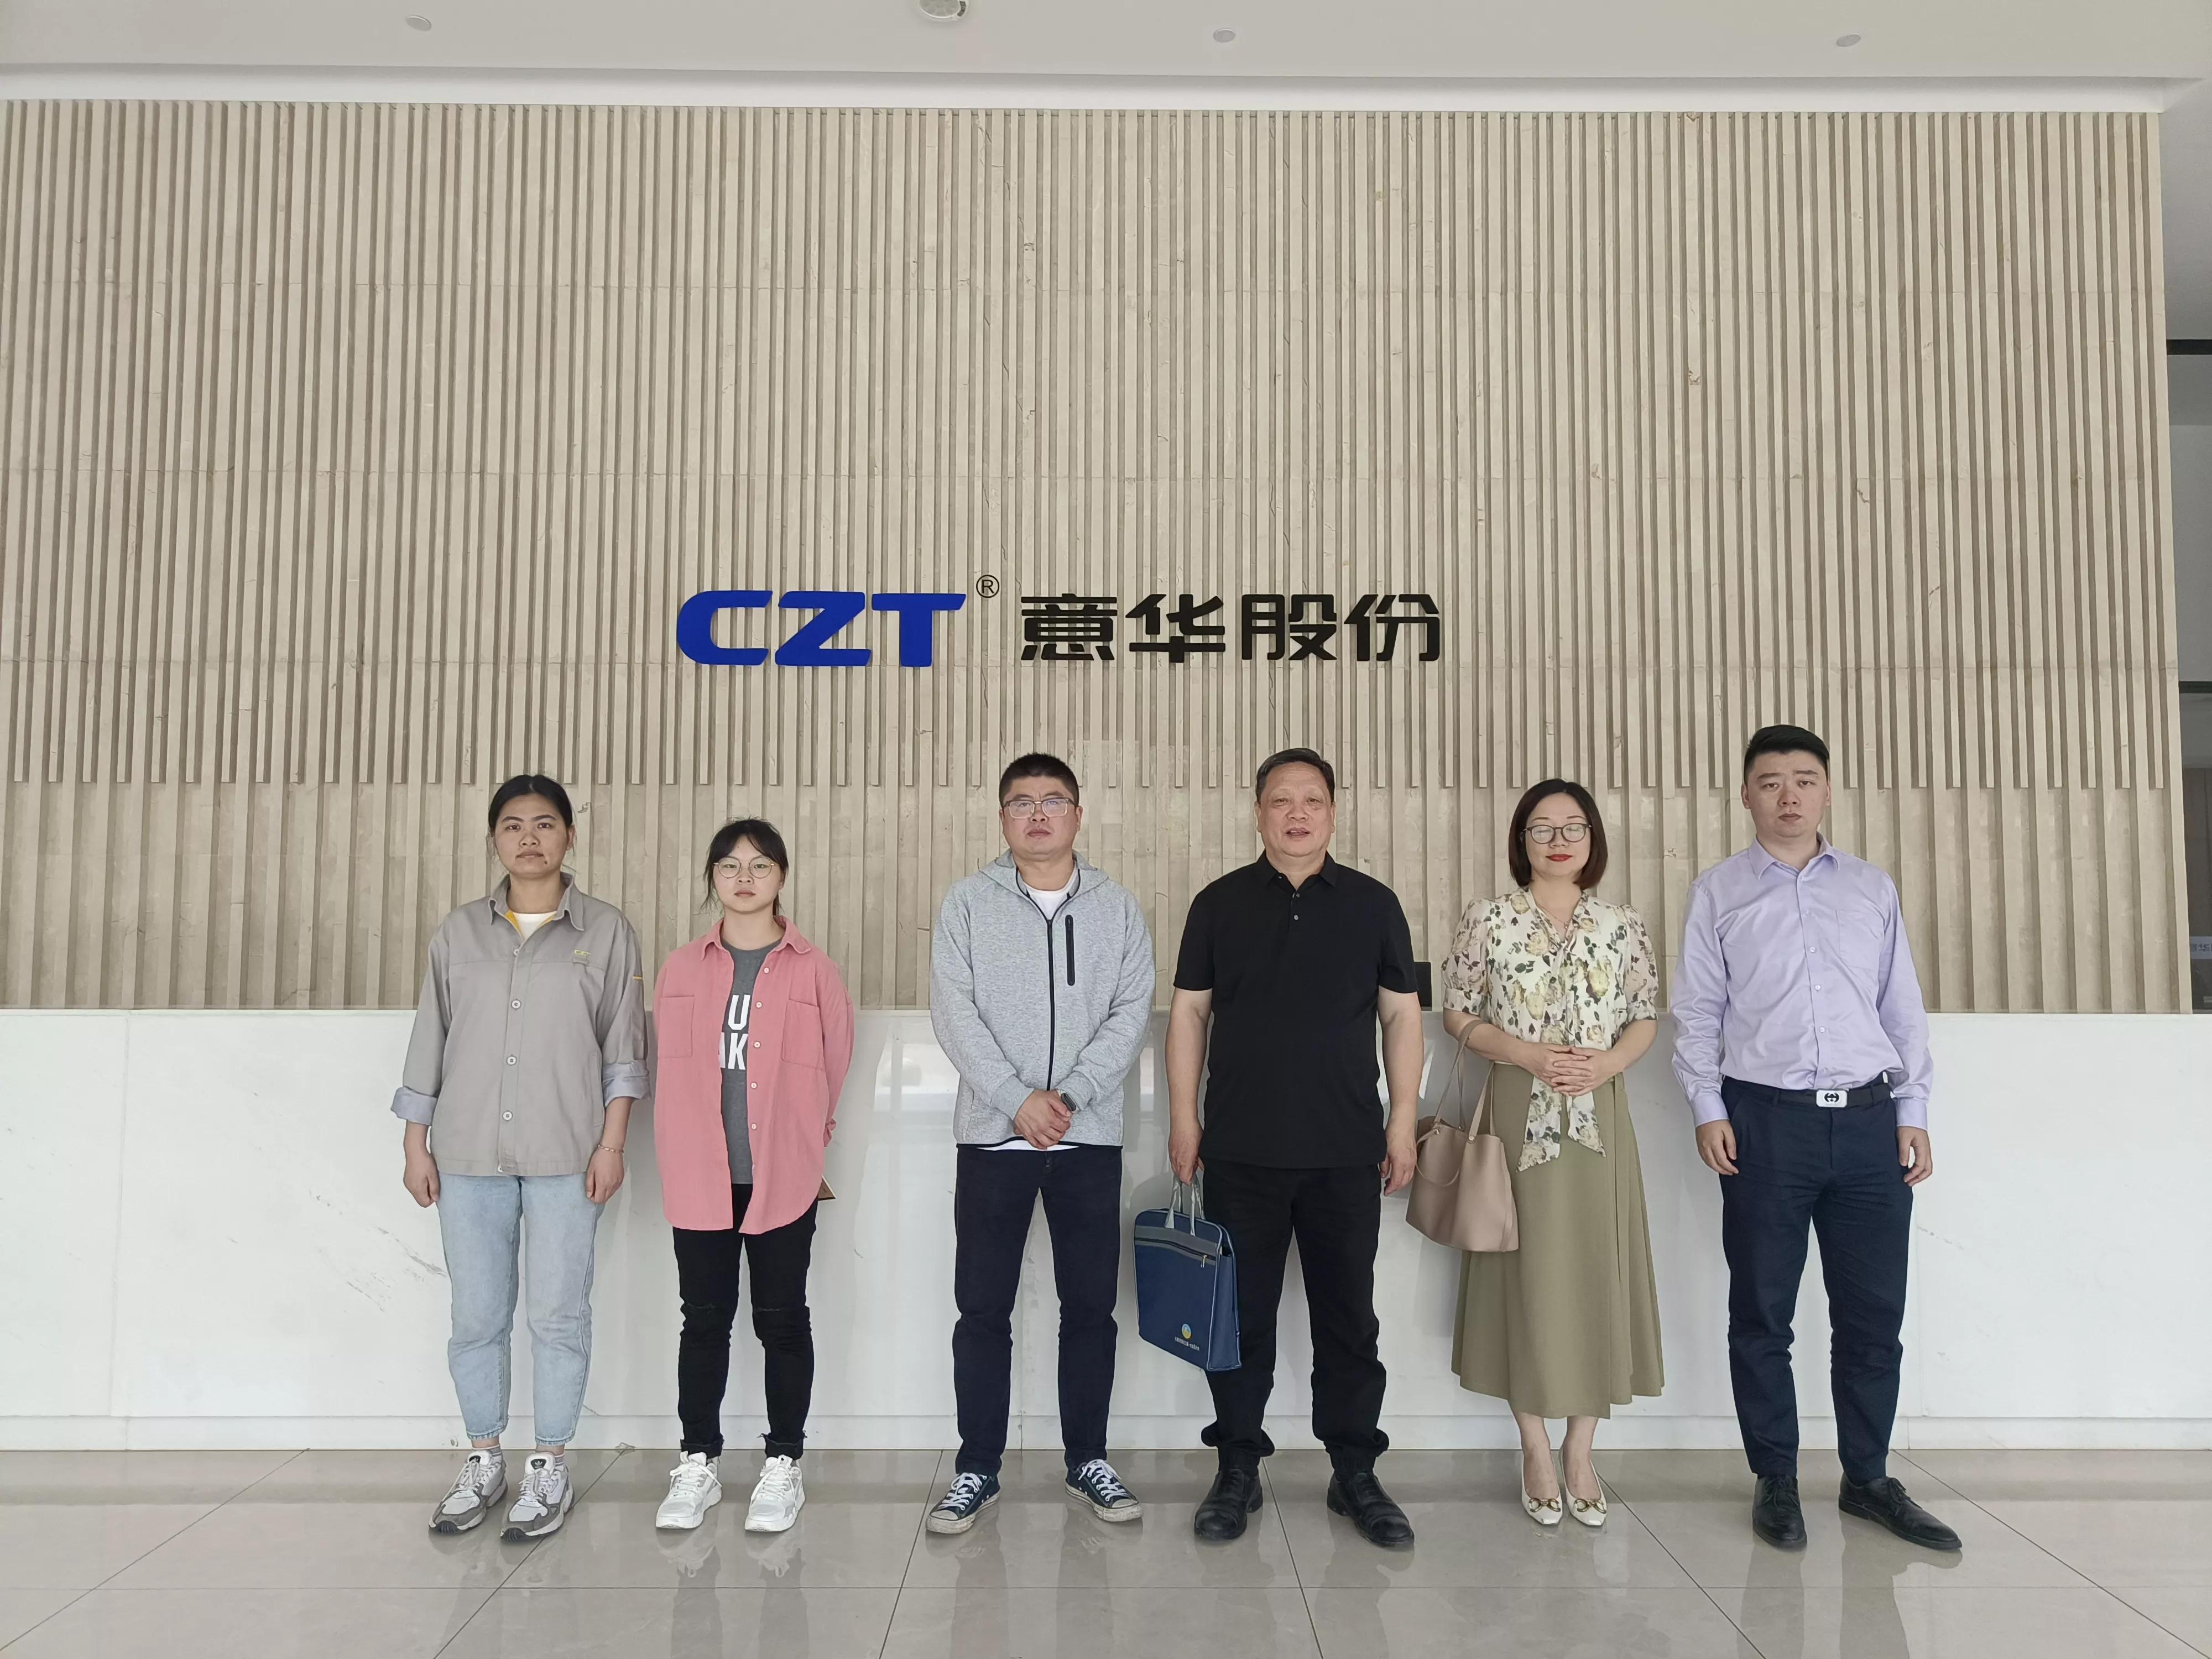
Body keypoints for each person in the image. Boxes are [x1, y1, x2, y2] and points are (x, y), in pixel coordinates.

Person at [1673, 724, 1959, 1553]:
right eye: (1771, 782)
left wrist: (1913, 1111)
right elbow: (1699, 1010)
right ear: (1747, 796)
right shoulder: (1719, 892)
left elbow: (1901, 1005)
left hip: (1870, 1122)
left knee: (1872, 1316)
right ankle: (1777, 1480)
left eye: (1804, 779)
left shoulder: (1871, 888)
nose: (1789, 795)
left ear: (1828, 791)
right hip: (1764, 1121)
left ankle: (1868, 1479)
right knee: (1762, 1313)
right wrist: (1707, 1106)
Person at [1167, 747, 1423, 1548]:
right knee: (1238, 1324)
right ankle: (1237, 1468)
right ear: (1258, 814)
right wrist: (1184, 1118)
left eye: (1312, 799)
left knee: (1349, 1322)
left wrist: (1402, 1119)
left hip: (1346, 1150)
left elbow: (1402, 1016)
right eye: (1281, 800)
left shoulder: (1374, 905)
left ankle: (1355, 1471)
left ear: (1334, 813)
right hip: (1239, 1149)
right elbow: (1190, 1014)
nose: (1298, 814)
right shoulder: (1218, 904)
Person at [394, 774, 645, 1541]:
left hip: (570, 1152)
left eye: (544, 823)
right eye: (513, 825)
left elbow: (623, 1048)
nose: (529, 838)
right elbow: (431, 1035)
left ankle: (550, 1463)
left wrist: (612, 1143)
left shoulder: (606, 931)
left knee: (558, 1315)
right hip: (467, 1152)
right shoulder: (458, 933)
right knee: (476, 1316)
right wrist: (414, 1142)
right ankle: (482, 1458)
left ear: (570, 835)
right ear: (495, 839)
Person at [925, 753, 1158, 1534]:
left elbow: (1131, 1011)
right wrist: (1016, 1099)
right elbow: (954, 1012)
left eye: (1052, 801)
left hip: (1085, 1139)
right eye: (1021, 802)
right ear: (1002, 818)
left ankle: (1088, 1459)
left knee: (1090, 1307)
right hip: (994, 1139)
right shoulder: (967, 902)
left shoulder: (1116, 908)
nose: (1037, 814)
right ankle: (977, 1467)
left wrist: (1071, 1096)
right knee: (981, 1309)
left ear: (1078, 815)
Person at [1439, 779, 1665, 1529]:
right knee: (1523, 1271)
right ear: (1522, 842)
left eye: (1573, 827)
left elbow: (1643, 1016)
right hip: (1516, 1108)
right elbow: (1457, 1012)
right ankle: (1534, 1446)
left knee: (1597, 1266)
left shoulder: (1622, 925)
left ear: (1593, 839)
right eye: (1542, 828)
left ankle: (1581, 1451)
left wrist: (1607, 1064)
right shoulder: (1489, 919)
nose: (1559, 840)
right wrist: (1526, 1054)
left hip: (1599, 1112)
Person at [648, 818, 854, 1535]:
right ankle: (698, 1463)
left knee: (782, 1319)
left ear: (781, 877)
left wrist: (806, 1139)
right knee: (703, 1321)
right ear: (712, 877)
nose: (744, 878)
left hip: (783, 1175)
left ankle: (783, 1463)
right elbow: (665, 1065)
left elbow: (835, 1063)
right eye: (730, 866)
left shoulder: (814, 970)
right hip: (699, 1174)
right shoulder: (681, 969)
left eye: (760, 865)